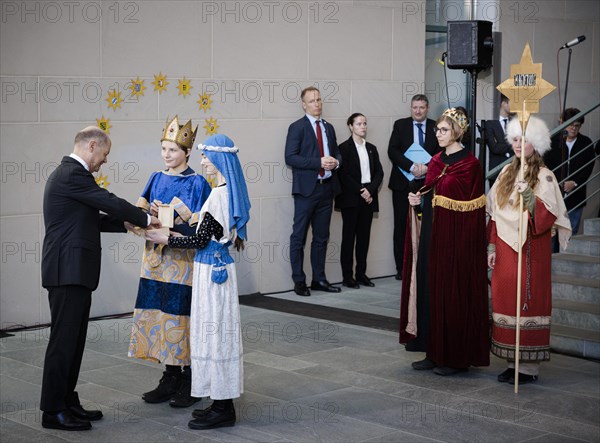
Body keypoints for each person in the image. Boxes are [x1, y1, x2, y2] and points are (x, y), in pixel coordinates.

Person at [40, 127, 160, 431]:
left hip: (73, 271)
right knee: (63, 343)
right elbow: (107, 200)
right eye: (104, 155)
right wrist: (144, 218)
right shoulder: (72, 174)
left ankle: (67, 400)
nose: (103, 161)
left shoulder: (71, 177)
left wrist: (124, 224)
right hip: (67, 271)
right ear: (92, 146)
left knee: (74, 341)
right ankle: (53, 410)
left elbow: (89, 217)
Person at [145, 134, 250, 430]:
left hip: (211, 274)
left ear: (219, 160)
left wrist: (166, 237)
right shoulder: (226, 191)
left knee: (215, 336)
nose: (202, 161)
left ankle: (223, 408)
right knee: (216, 335)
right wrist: (178, 236)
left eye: (206, 156)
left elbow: (201, 239)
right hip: (218, 268)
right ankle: (218, 402)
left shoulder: (218, 194)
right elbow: (210, 235)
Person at [128, 116, 211, 408]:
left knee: (180, 319)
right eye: (164, 149)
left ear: (187, 152)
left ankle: (190, 378)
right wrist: (147, 217)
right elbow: (134, 219)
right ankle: (170, 375)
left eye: (173, 150)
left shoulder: (198, 183)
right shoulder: (155, 177)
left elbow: (204, 228)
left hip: (181, 263)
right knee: (159, 315)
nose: (167, 155)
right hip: (154, 261)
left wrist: (177, 222)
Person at [405, 108, 489, 375]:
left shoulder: (470, 164)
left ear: (457, 131)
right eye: (437, 130)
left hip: (456, 242)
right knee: (431, 289)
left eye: (443, 130)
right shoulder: (438, 160)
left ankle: (454, 357)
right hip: (433, 234)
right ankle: (433, 351)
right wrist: (417, 200)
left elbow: (472, 210)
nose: (438, 134)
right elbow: (430, 193)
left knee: (451, 292)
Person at [487, 116, 571, 384]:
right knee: (507, 300)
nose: (518, 145)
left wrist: (530, 197)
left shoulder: (545, 176)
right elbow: (495, 214)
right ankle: (513, 362)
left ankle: (528, 368)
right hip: (504, 249)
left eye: (524, 140)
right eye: (514, 139)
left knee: (527, 301)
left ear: (535, 142)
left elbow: (547, 218)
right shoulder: (504, 173)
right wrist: (490, 245)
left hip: (531, 249)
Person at [285, 86, 342, 296]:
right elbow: (290, 157)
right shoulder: (297, 127)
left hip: (326, 190)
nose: (317, 104)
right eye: (312, 101)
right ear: (304, 104)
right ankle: (299, 281)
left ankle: (319, 279)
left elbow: (337, 153)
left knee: (321, 237)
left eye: (319, 100)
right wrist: (317, 161)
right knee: (298, 237)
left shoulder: (329, 127)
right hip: (306, 191)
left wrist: (335, 162)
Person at [388, 94, 440, 280]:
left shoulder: (437, 126)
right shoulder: (400, 125)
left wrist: (427, 168)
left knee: (427, 225)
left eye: (421, 107)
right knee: (401, 225)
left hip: (428, 184)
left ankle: (425, 265)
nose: (418, 111)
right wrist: (410, 166)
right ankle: (401, 268)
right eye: (414, 107)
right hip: (403, 183)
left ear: (427, 108)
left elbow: (441, 152)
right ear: (411, 108)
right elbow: (392, 150)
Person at [335, 113, 384, 288]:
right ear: (350, 126)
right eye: (359, 124)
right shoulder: (343, 148)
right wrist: (360, 190)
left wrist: (369, 190)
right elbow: (344, 174)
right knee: (349, 238)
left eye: (364, 123)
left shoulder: (371, 147)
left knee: (364, 238)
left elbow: (379, 172)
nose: (363, 126)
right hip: (351, 198)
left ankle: (361, 273)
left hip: (368, 198)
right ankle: (347, 277)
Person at [545, 108, 596, 237]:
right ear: (562, 123)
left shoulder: (586, 143)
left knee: (570, 233)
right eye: (571, 124)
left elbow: (588, 167)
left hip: (575, 197)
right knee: (551, 235)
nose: (573, 128)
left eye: (577, 125)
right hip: (553, 196)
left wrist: (575, 183)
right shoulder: (552, 142)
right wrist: (555, 184)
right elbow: (545, 167)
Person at [485, 94, 514, 187]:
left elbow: (520, 143)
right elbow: (494, 148)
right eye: (512, 103)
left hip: (513, 171)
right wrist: (512, 145)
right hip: (496, 171)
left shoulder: (515, 122)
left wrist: (502, 145)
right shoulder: (490, 123)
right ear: (504, 104)